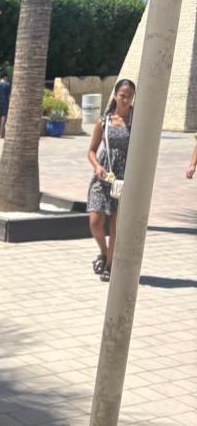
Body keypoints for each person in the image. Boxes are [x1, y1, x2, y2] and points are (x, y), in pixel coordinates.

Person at [87, 78, 136, 282]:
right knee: (95, 221)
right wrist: (97, 166)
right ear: (115, 96)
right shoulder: (104, 121)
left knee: (116, 224)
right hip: (104, 175)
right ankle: (104, 251)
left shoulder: (136, 122)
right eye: (122, 95)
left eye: (130, 96)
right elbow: (91, 151)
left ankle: (109, 265)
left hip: (125, 178)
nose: (125, 100)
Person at [0, 72, 11, 138]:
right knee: (4, 117)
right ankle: (1, 133)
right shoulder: (7, 85)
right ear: (5, 77)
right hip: (5, 102)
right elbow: (9, 96)